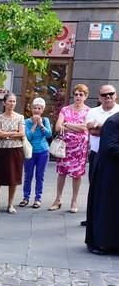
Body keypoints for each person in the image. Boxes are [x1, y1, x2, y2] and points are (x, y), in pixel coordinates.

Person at [80, 85, 119, 226]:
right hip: (96, 154)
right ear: (99, 97)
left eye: (111, 94)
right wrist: (107, 128)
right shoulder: (93, 111)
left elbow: (98, 130)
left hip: (114, 158)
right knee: (94, 186)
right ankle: (92, 217)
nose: (108, 97)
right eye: (104, 95)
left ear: (116, 95)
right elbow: (91, 131)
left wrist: (100, 127)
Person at [49, 84, 90, 213]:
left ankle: (74, 201)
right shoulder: (65, 109)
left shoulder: (89, 111)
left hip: (80, 147)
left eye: (81, 94)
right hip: (65, 146)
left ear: (86, 96)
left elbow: (85, 128)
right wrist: (75, 127)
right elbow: (57, 127)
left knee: (77, 174)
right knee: (62, 173)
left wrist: (67, 124)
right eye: (76, 94)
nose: (78, 97)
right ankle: (58, 199)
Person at [85, 109, 119, 254]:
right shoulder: (113, 122)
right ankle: (103, 243)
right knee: (106, 208)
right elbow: (110, 147)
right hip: (108, 173)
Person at [0, 92, 25, 214]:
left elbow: (22, 133)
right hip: (0, 150)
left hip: (16, 150)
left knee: (13, 178)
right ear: (4, 103)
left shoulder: (20, 117)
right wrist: (13, 133)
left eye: (14, 101)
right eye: (9, 101)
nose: (12, 104)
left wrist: (6, 134)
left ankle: (10, 204)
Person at [19, 97, 52, 209]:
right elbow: (27, 136)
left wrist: (41, 125)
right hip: (30, 152)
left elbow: (49, 135)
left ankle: (38, 198)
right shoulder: (26, 122)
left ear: (42, 110)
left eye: (39, 108)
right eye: (35, 108)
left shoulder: (46, 120)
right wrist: (34, 125)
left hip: (43, 152)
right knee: (28, 176)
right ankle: (26, 197)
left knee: (40, 176)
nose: (37, 110)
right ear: (31, 109)